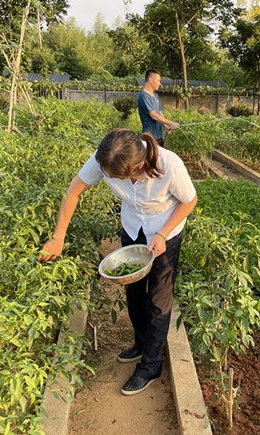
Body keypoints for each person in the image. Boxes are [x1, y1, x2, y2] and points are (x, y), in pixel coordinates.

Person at [39, 129, 198, 395]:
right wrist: (58, 237)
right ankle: (141, 344)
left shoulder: (169, 164)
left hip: (165, 231)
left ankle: (151, 366)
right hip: (134, 228)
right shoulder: (105, 158)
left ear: (138, 166)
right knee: (133, 292)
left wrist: (162, 234)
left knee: (158, 300)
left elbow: (189, 201)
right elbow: (73, 191)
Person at [137, 69, 180, 148]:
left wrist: (166, 126)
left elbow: (160, 113)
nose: (160, 83)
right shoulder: (143, 96)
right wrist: (170, 123)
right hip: (149, 138)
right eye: (158, 80)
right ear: (150, 80)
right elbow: (154, 115)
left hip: (159, 137)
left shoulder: (156, 96)